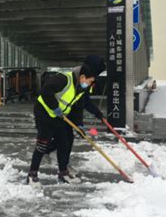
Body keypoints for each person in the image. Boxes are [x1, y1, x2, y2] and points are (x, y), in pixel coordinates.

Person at [26, 55, 106, 186]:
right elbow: (46, 90)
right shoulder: (64, 79)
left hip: (60, 116)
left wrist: (79, 125)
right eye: (90, 81)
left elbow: (77, 108)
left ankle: (63, 174)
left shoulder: (81, 88)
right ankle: (32, 174)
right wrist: (55, 107)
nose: (90, 85)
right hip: (44, 113)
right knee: (42, 144)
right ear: (82, 77)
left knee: (64, 142)